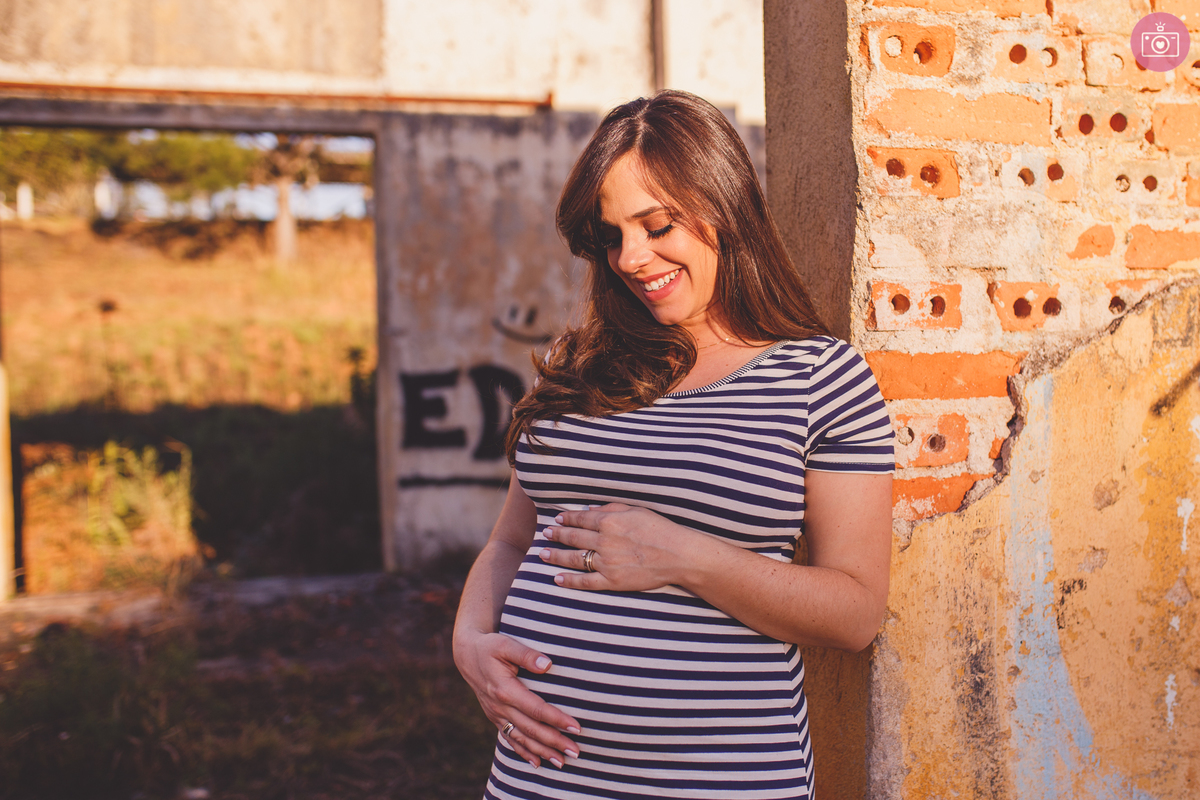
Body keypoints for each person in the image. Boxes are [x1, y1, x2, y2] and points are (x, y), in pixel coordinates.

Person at [453, 90, 894, 800]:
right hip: (540, 780)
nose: (631, 258)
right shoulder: (580, 362)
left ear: (723, 204)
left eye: (656, 226)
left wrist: (682, 555)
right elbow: (511, 542)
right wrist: (469, 643)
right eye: (610, 235)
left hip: (721, 782)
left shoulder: (820, 378)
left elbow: (856, 612)